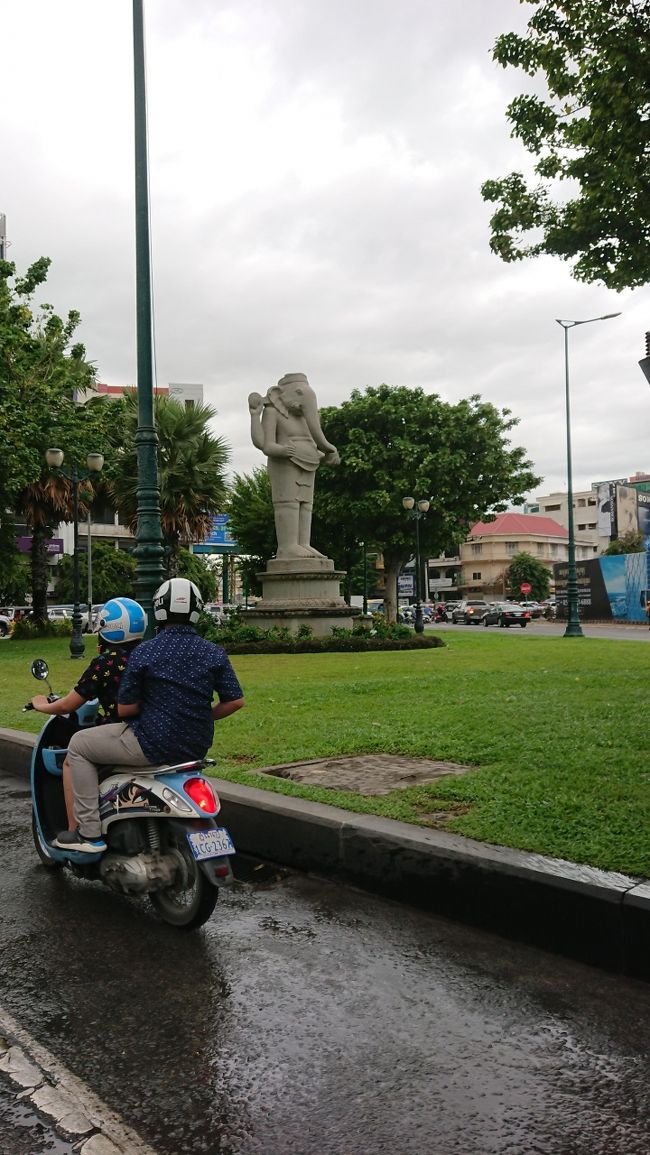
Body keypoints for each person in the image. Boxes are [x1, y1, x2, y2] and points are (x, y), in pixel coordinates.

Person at [53, 578, 245, 855]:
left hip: (151, 744)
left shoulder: (145, 651)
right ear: (197, 611)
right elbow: (235, 701)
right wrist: (200, 715)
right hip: (196, 746)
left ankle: (88, 833)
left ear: (159, 610)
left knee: (79, 746)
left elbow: (125, 710)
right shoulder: (213, 652)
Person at [32, 596, 147, 835]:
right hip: (155, 731)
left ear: (108, 628)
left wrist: (41, 705)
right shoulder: (149, 655)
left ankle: (80, 829)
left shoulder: (107, 662)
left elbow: (68, 705)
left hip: (123, 733)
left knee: (73, 758)